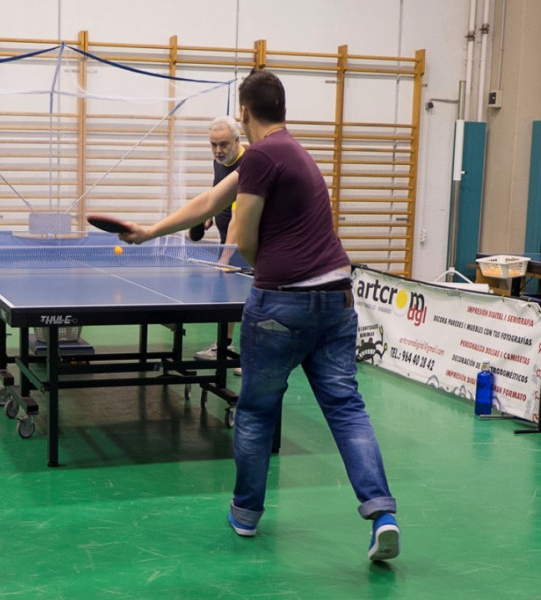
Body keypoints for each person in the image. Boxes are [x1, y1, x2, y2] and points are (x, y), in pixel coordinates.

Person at [118, 69, 399, 563]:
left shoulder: (263, 155)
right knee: (346, 408)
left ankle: (246, 515)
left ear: (244, 113)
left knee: (255, 411)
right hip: (336, 297)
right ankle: (382, 515)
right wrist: (149, 231)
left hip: (282, 303)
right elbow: (210, 201)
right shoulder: (293, 151)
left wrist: (263, 268)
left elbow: (242, 236)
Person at [190, 116, 245, 375]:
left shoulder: (247, 165)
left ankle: (250, 357)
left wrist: (225, 258)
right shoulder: (220, 161)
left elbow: (238, 216)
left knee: (249, 302)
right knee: (229, 298)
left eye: (223, 144)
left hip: (248, 244)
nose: (218, 150)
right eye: (213, 145)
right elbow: (219, 192)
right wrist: (209, 216)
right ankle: (226, 346)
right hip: (229, 240)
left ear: (237, 140)